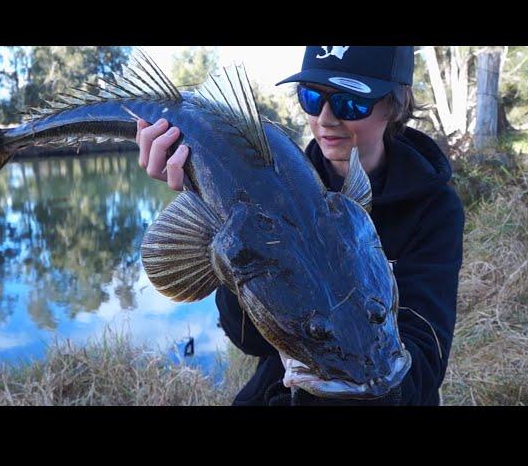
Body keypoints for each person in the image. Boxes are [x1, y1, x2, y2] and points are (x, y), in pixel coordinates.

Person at [135, 46, 465, 406]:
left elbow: (425, 361)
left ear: (395, 104)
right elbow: (248, 341)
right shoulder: (264, 184)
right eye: (311, 97)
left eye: (349, 102)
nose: (325, 118)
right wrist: (214, 201)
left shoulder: (434, 208)